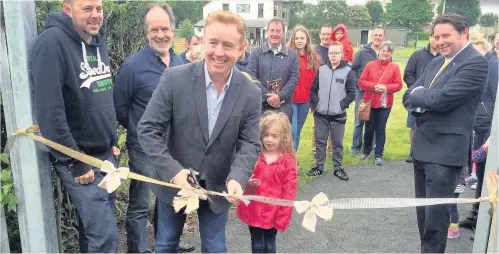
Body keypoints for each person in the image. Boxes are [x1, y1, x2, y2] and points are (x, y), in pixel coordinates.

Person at [137, 10, 262, 253]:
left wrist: (237, 177)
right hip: (174, 182)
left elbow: (250, 143)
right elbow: (148, 129)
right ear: (203, 41)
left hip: (218, 184)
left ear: (241, 48)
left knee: (215, 247)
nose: (219, 52)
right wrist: (173, 172)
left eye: (228, 45)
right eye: (213, 42)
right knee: (166, 243)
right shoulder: (174, 79)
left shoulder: (250, 93)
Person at [30, 0, 118, 252]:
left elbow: (99, 96)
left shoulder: (96, 41)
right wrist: (74, 160)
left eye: (98, 8)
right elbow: (50, 112)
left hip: (105, 158)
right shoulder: (51, 44)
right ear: (67, 9)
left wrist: (110, 141)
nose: (95, 15)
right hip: (80, 160)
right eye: (87, 8)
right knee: (105, 240)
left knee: (96, 237)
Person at [402, 13, 489, 253]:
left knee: (435, 221)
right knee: (423, 216)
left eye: (446, 36)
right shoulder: (436, 61)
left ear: (464, 33)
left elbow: (441, 99)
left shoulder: (475, 62)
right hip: (422, 148)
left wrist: (420, 97)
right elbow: (408, 94)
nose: (439, 41)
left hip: (444, 153)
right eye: (436, 36)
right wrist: (421, 97)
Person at [112, 4, 195, 253]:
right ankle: (137, 250)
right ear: (147, 32)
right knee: (141, 204)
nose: (161, 34)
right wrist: (141, 131)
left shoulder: (180, 62)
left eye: (165, 28)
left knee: (168, 199)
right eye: (154, 29)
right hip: (144, 149)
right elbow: (121, 109)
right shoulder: (132, 67)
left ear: (173, 28)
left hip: (174, 149)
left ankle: (167, 244)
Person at [236, 111, 298, 253]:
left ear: (284, 137)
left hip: (273, 213)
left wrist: (283, 216)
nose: (269, 139)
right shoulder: (255, 155)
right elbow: (246, 180)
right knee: (257, 245)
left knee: (269, 245)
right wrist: (248, 188)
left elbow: (289, 192)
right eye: (266, 135)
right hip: (254, 211)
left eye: (274, 136)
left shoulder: (288, 161)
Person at [459, 31, 498, 240]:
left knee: (490, 177)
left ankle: (487, 223)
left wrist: (492, 134)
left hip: (490, 129)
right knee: (482, 174)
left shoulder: (491, 65)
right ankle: (477, 217)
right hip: (481, 125)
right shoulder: (484, 62)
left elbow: (494, 97)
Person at [307, 42, 355, 179]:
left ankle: (338, 168)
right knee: (320, 142)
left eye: (336, 53)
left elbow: (351, 93)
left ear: (341, 54)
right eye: (331, 53)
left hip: (338, 115)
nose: (333, 56)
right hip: (320, 114)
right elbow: (313, 90)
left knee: (337, 143)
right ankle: (319, 166)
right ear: (328, 54)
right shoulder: (322, 70)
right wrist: (317, 104)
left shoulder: (347, 71)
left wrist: (341, 106)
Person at [358, 41, 402, 166]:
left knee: (380, 128)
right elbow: (362, 81)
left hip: (385, 103)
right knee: (369, 128)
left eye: (388, 51)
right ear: (379, 51)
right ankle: (366, 151)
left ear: (391, 53)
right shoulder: (370, 65)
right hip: (370, 101)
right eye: (383, 50)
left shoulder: (394, 67)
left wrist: (385, 87)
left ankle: (378, 155)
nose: (385, 53)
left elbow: (399, 84)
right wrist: (374, 86)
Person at [248, 18, 300, 121]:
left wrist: (279, 96)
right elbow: (251, 77)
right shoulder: (256, 53)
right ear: (267, 32)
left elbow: (294, 79)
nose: (275, 34)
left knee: (282, 135)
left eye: (278, 31)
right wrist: (268, 97)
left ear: (283, 33)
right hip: (260, 106)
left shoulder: (292, 55)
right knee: (260, 136)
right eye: (272, 30)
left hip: (284, 106)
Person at [403, 35, 439, 163]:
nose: (437, 40)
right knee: (414, 125)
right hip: (417, 97)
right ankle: (413, 152)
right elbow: (408, 74)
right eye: (435, 37)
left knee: (432, 125)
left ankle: (429, 152)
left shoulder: (444, 57)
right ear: (430, 38)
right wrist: (416, 89)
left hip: (435, 97)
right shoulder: (417, 55)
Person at [350, 27, 386, 155]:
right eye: (375, 35)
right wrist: (358, 84)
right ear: (372, 36)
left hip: (379, 93)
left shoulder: (385, 53)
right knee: (360, 120)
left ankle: (374, 147)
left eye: (380, 35)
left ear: (384, 37)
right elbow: (352, 69)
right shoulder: (362, 52)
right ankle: (355, 146)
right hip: (363, 91)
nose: (377, 37)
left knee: (376, 120)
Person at [286, 25, 321, 152]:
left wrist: (313, 101)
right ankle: (290, 160)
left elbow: (315, 81)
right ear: (293, 40)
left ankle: (293, 159)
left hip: (305, 101)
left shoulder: (313, 57)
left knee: (298, 131)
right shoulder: (288, 56)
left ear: (307, 40)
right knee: (292, 132)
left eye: (302, 38)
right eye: (297, 38)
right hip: (291, 100)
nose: (299, 41)